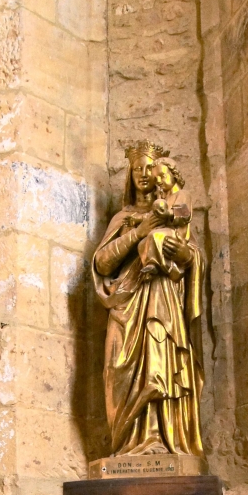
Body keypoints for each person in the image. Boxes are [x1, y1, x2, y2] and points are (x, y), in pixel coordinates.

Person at [92, 141, 206, 460]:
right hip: (126, 303)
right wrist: (140, 231)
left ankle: (162, 440)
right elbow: (102, 263)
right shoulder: (124, 217)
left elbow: (192, 255)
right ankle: (127, 445)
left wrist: (186, 256)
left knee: (161, 365)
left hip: (161, 297)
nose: (143, 175)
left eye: (149, 169)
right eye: (137, 168)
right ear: (129, 174)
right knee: (118, 370)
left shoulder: (173, 212)